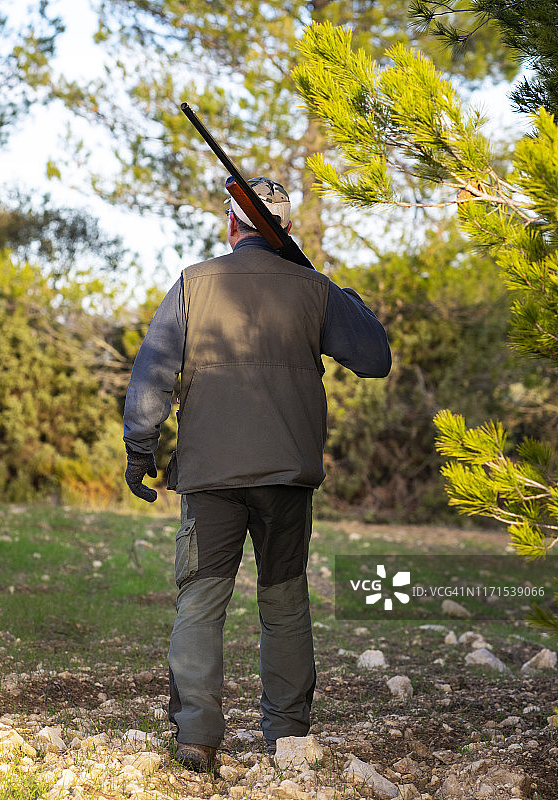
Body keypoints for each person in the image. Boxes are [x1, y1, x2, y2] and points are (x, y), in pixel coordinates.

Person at [123, 176, 392, 772]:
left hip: (210, 475)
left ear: (231, 226)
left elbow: (152, 375)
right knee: (285, 603)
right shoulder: (313, 290)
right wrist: (337, 291)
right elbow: (376, 357)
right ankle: (288, 737)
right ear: (287, 230)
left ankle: (195, 740)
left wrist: (139, 450)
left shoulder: (194, 283)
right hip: (286, 477)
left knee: (200, 603)